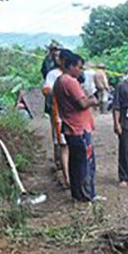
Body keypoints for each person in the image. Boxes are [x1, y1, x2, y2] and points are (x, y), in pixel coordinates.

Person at [53, 53, 100, 203]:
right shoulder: (70, 82)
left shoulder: (59, 81)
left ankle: (78, 194)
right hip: (78, 129)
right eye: (79, 67)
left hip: (71, 128)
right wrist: (93, 100)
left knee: (76, 164)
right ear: (71, 66)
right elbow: (82, 104)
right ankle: (86, 196)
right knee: (85, 165)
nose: (80, 70)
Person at [43, 50, 71, 187]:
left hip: (73, 115)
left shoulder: (73, 74)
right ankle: (65, 176)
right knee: (63, 144)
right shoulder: (53, 74)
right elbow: (46, 89)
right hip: (59, 114)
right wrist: (60, 91)